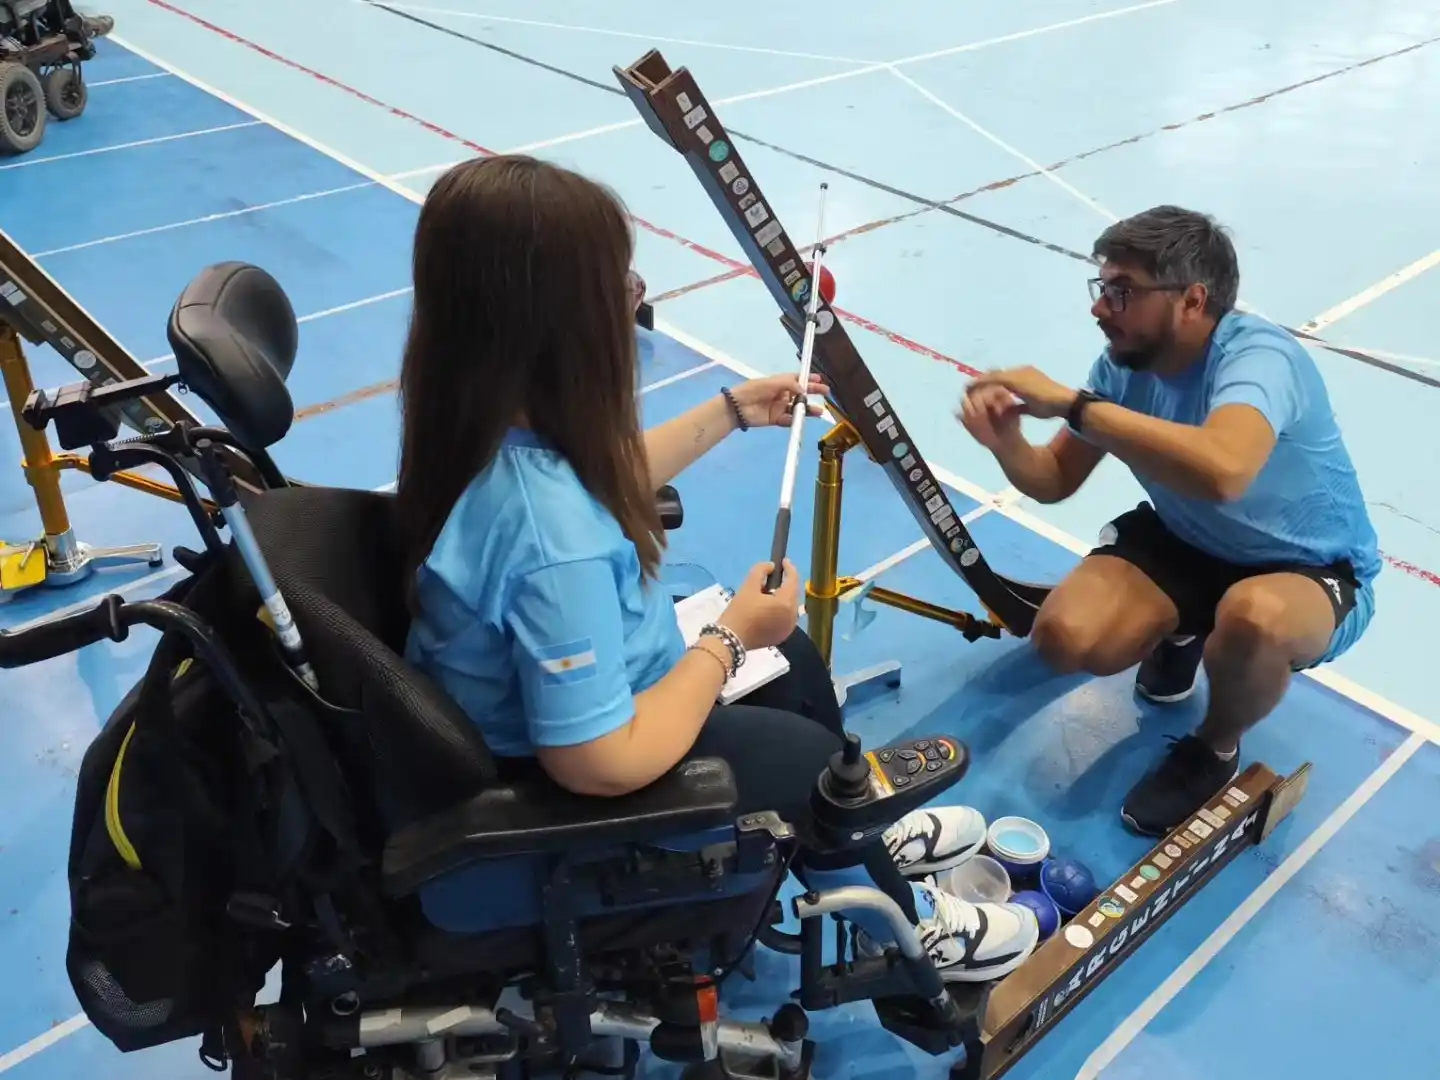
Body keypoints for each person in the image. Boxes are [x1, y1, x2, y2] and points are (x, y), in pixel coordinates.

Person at [394, 155, 1039, 982]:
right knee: (804, 756)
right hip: (574, 782)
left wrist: (731, 411)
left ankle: (852, 840)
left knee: (793, 660)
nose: (633, 296)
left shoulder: (474, 422)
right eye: (618, 284)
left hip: (578, 705)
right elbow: (600, 763)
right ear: (564, 326)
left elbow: (593, 480)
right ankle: (905, 931)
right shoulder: (553, 543)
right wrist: (728, 640)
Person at [958, 205, 1379, 837]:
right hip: (1187, 540)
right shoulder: (1122, 366)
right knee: (1065, 639)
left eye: (1122, 291)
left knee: (1253, 619)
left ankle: (1214, 747)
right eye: (1102, 287)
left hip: (1307, 569)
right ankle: (1182, 632)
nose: (1100, 307)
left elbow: (1224, 471)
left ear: (1192, 300)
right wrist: (1007, 443)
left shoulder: (1261, 358)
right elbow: (1054, 479)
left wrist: (1074, 405)